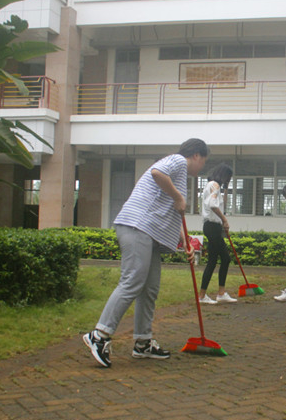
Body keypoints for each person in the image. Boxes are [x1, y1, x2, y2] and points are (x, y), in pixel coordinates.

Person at [82, 138, 209, 368]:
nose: (201, 169)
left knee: (149, 288)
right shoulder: (178, 161)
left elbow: (174, 212)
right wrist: (179, 197)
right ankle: (99, 335)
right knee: (132, 281)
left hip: (149, 234)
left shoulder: (180, 178)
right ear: (197, 155)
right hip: (136, 225)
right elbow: (157, 173)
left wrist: (186, 241)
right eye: (203, 163)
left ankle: (143, 342)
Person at [198, 163, 238, 305]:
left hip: (212, 226)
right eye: (228, 177)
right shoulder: (214, 185)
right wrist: (224, 220)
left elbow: (220, 204)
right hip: (212, 226)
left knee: (212, 261)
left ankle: (203, 295)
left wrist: (225, 190)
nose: (228, 180)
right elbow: (213, 205)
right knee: (225, 259)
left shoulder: (213, 186)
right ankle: (220, 293)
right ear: (224, 175)